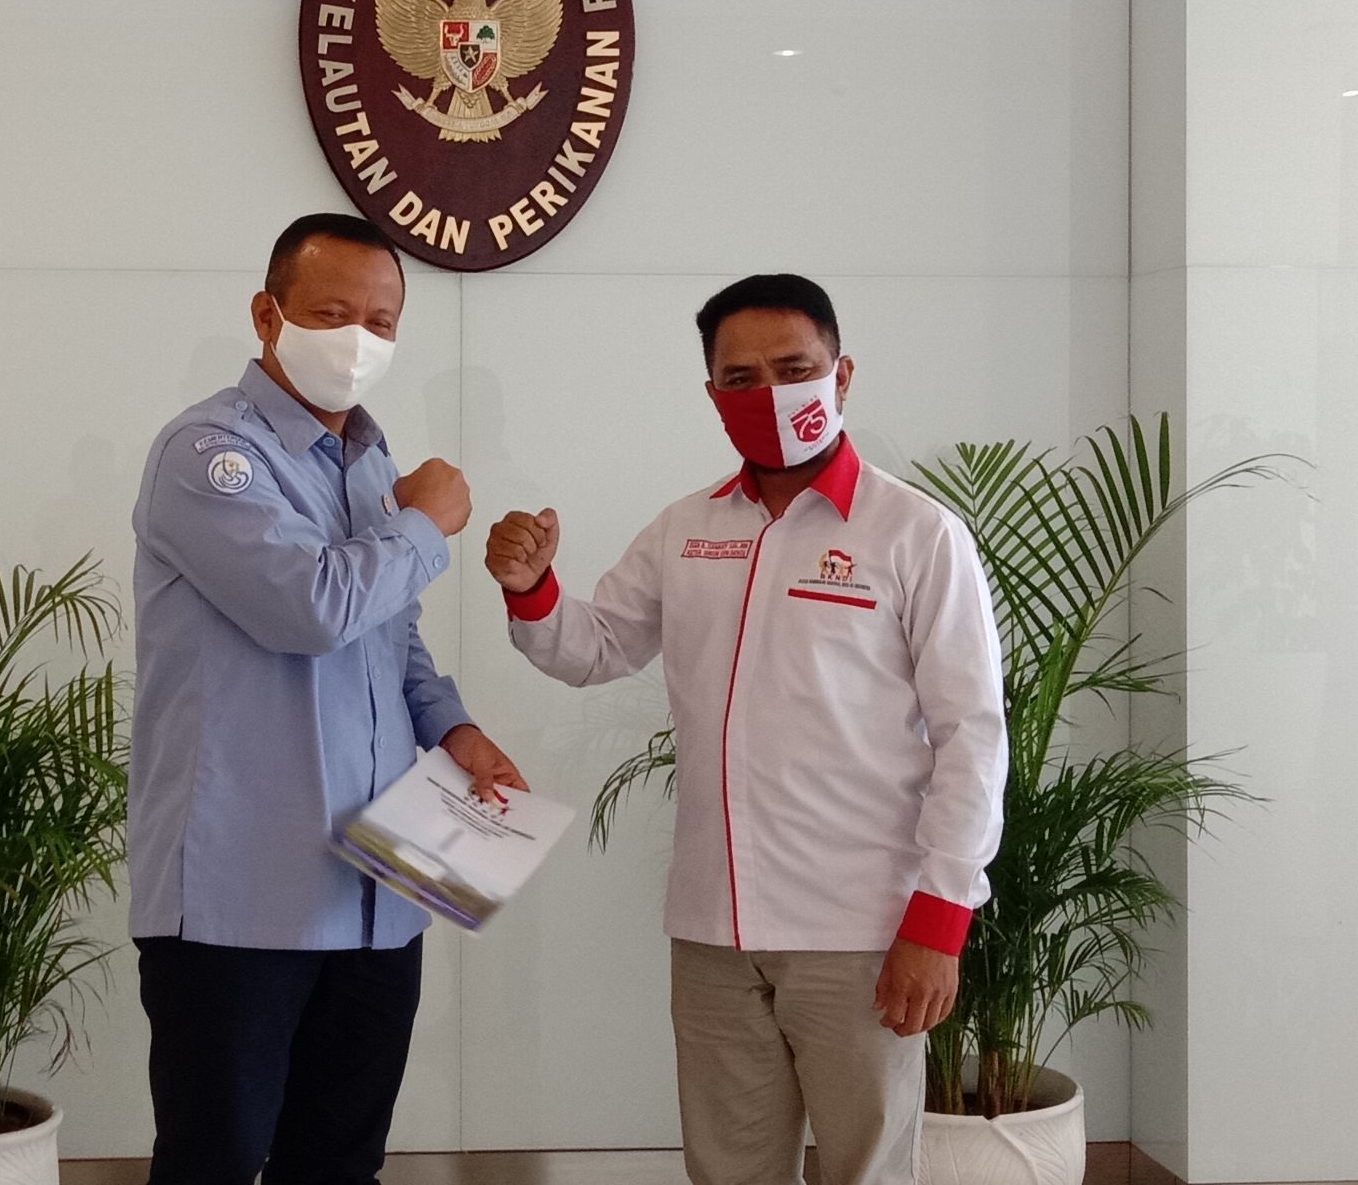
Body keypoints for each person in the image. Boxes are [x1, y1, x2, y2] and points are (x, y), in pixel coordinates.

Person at [484, 273, 1008, 1185]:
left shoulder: (916, 534)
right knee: (728, 1171)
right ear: (713, 394)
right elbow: (596, 648)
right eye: (740, 378)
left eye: (793, 368)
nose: (768, 394)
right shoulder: (685, 530)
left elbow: (973, 734)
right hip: (713, 927)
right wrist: (532, 589)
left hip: (862, 928)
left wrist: (941, 917)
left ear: (842, 376)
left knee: (866, 1170)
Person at [129, 211, 526, 1185]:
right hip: (239, 902)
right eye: (331, 313)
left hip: (381, 892)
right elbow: (309, 608)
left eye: (381, 322)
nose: (358, 340)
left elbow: (389, 635)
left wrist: (454, 726)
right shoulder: (209, 455)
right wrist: (427, 525)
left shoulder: (370, 464)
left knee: (341, 1166)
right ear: (267, 315)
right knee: (213, 1165)